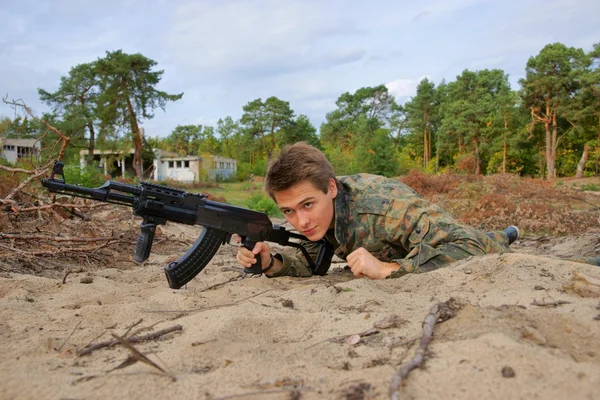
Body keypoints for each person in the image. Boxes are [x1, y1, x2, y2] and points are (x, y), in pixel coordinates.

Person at [235, 142, 593, 279]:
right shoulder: (320, 212)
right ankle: (508, 232)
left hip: (425, 236)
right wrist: (271, 261)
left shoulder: (385, 209)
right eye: (289, 211)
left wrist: (391, 268)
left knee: (489, 243)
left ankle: (507, 236)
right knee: (493, 237)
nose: (302, 221)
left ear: (331, 188)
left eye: (307, 205)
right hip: (414, 240)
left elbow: (469, 248)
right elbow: (315, 258)